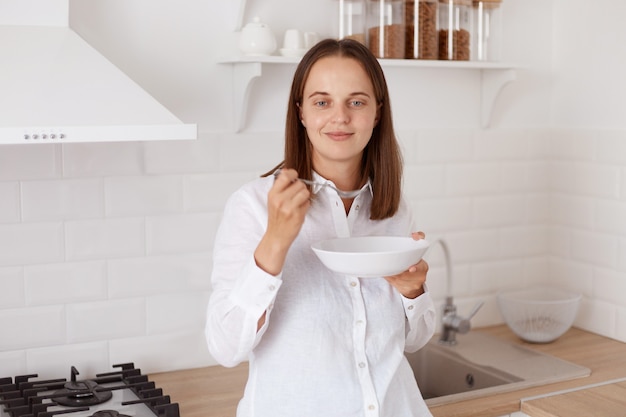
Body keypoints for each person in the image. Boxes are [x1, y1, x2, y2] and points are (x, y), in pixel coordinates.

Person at [205, 38, 436, 417]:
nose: (340, 117)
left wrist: (414, 291)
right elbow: (225, 346)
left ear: (377, 113)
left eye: (357, 102)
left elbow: (415, 341)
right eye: (322, 101)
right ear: (301, 113)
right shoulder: (253, 206)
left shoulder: (393, 208)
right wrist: (275, 242)